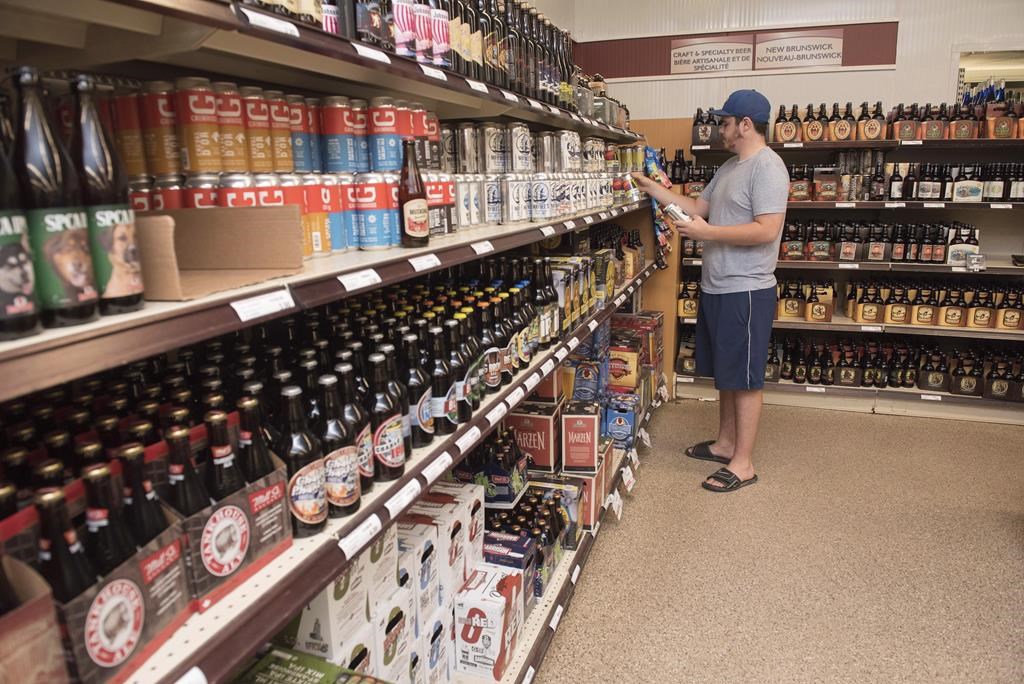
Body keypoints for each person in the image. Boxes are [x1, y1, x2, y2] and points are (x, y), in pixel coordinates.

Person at [632, 89, 789, 493]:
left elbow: (767, 229)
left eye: (724, 122)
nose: (718, 129)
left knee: (747, 378)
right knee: (727, 372)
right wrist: (651, 187)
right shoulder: (730, 167)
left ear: (746, 125)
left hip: (747, 289)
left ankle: (743, 463)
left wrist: (707, 234)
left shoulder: (768, 168)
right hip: (718, 286)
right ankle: (724, 444)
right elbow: (697, 208)